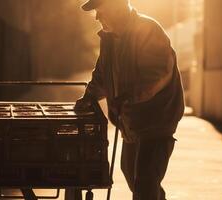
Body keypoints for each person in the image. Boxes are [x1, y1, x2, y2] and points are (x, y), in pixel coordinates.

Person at [74, 0, 185, 199]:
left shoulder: (148, 30)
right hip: (131, 121)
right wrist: (90, 96)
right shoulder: (108, 38)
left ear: (116, 8)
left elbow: (157, 74)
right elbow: (102, 73)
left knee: (145, 182)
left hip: (156, 121)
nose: (97, 17)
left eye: (100, 10)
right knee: (131, 173)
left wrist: (129, 98)